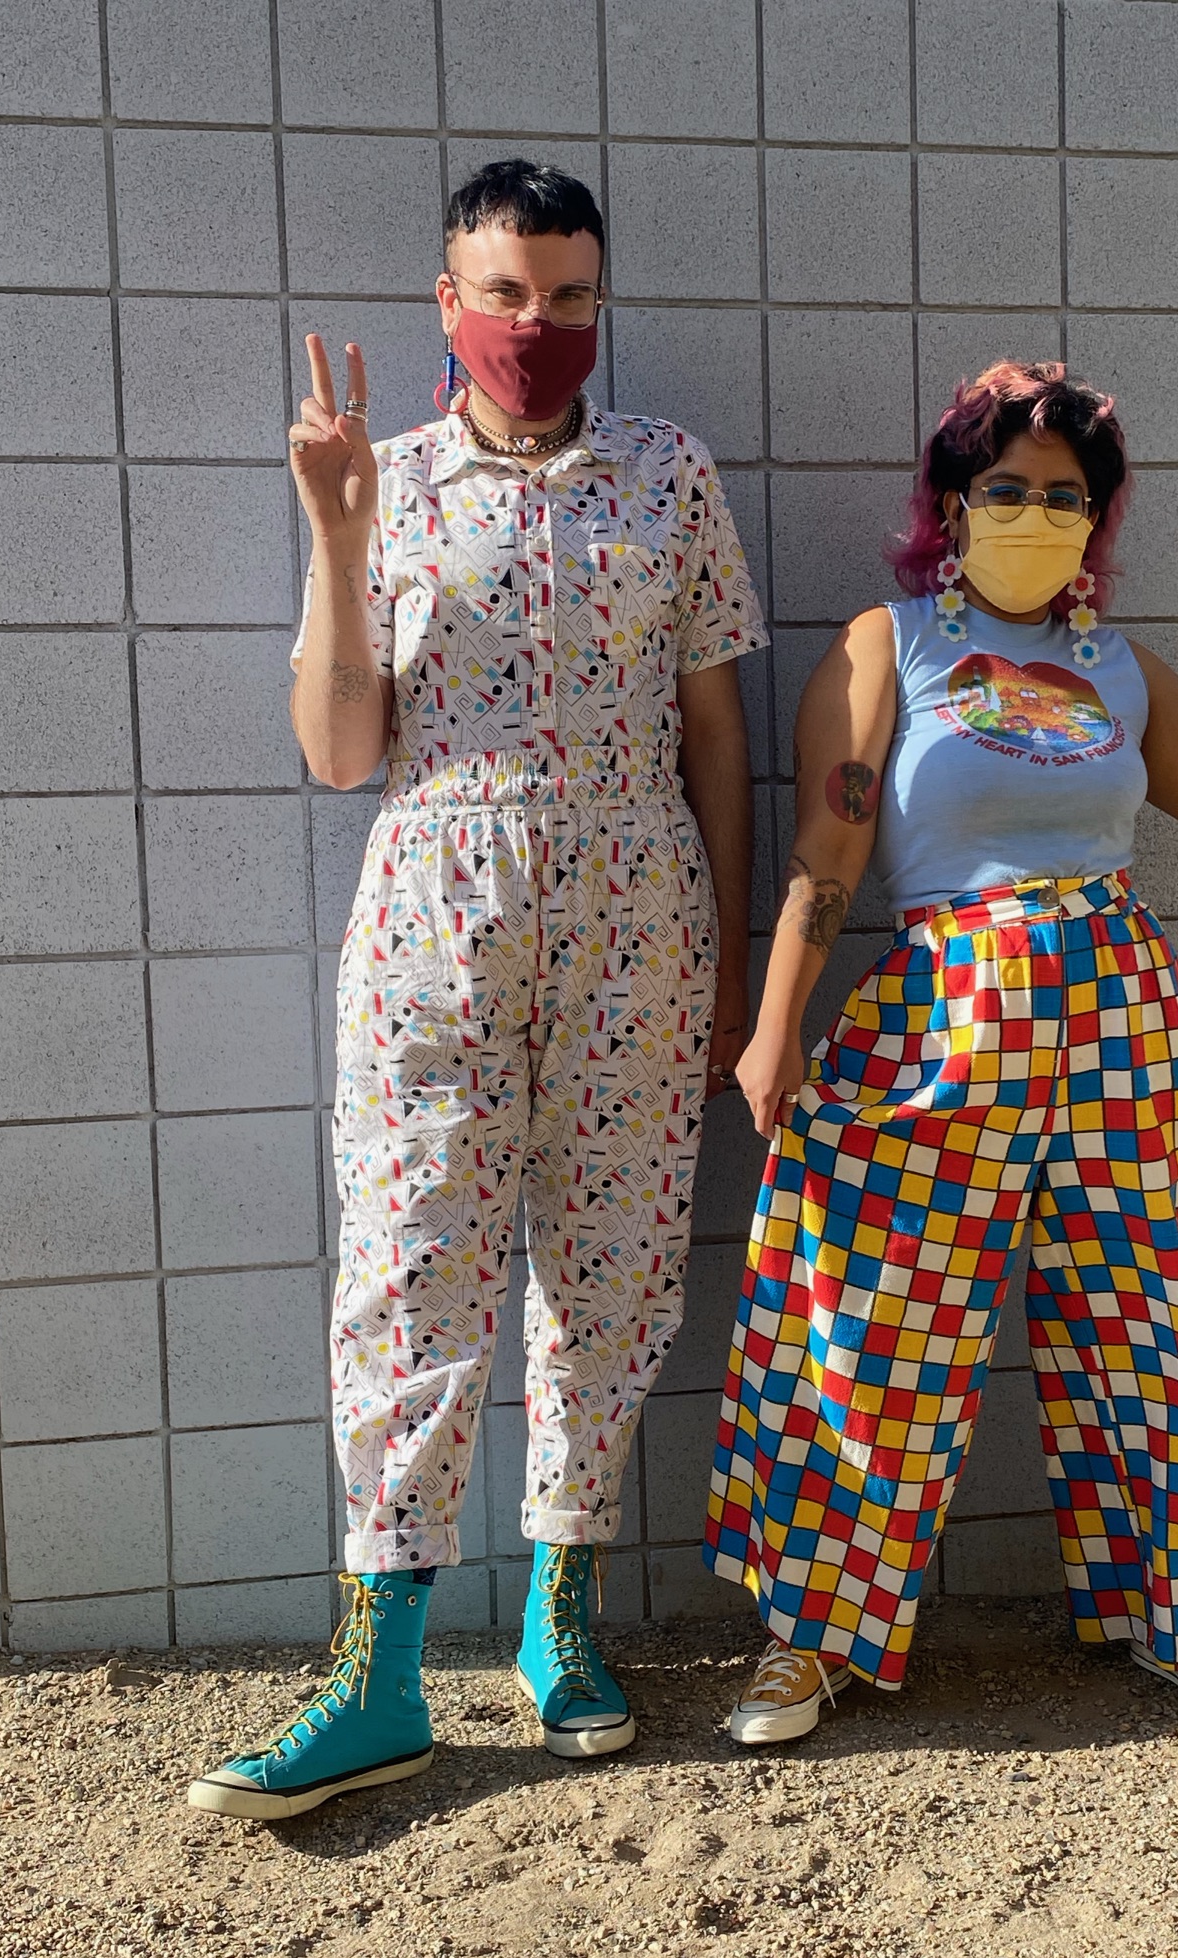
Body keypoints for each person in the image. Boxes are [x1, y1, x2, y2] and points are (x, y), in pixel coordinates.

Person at [189, 159, 766, 1819]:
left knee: (614, 1267)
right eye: (506, 294)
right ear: (449, 303)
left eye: (570, 296)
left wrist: (726, 963)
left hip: (639, 914)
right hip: (434, 909)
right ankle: (377, 1669)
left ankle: (557, 1613)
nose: (538, 325)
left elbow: (717, 732)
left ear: (601, 303)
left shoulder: (668, 474)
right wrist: (335, 527)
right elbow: (337, 748)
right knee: (410, 1262)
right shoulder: (397, 481)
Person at [704, 361, 1178, 1746]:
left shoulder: (1115, 662)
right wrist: (776, 1024)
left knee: (1165, 1320)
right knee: (874, 1325)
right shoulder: (887, 645)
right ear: (953, 499)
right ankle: (811, 1640)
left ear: (1097, 521)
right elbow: (830, 846)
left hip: (1120, 1014)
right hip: (943, 1013)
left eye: (1067, 497)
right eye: (1011, 489)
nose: (1038, 513)